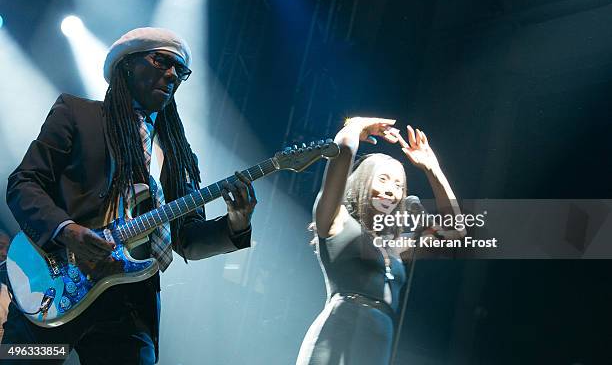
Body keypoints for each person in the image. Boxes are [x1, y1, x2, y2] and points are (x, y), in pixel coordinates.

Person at [1, 27, 257, 364]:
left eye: (180, 71)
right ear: (126, 65)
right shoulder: (77, 114)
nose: (171, 75)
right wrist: (67, 231)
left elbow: (187, 241)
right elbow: (24, 182)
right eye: (162, 61)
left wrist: (236, 224)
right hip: (51, 284)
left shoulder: (178, 154)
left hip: (128, 306)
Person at [296, 117, 462, 365]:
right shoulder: (337, 222)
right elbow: (339, 163)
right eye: (382, 179)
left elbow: (455, 234)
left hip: (377, 343)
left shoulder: (396, 246)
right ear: (363, 181)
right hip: (337, 335)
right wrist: (354, 128)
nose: (390, 190)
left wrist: (432, 169)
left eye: (398, 185)